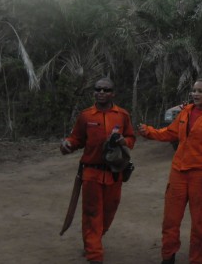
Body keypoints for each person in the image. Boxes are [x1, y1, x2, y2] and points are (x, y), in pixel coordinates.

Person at [138, 78, 202, 264]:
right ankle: (168, 256)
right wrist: (149, 132)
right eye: (194, 90)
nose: (195, 94)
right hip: (178, 172)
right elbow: (170, 133)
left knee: (200, 224)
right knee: (170, 220)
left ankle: (197, 259)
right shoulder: (186, 112)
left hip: (200, 176)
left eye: (200, 91)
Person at [60, 77, 136, 264]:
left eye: (106, 90)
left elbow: (131, 138)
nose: (101, 92)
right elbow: (76, 138)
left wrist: (123, 142)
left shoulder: (122, 115)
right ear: (94, 92)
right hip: (91, 173)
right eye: (98, 89)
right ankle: (95, 255)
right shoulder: (86, 116)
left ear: (113, 93)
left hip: (115, 173)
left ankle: (93, 241)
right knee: (92, 213)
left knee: (109, 212)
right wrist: (68, 144)